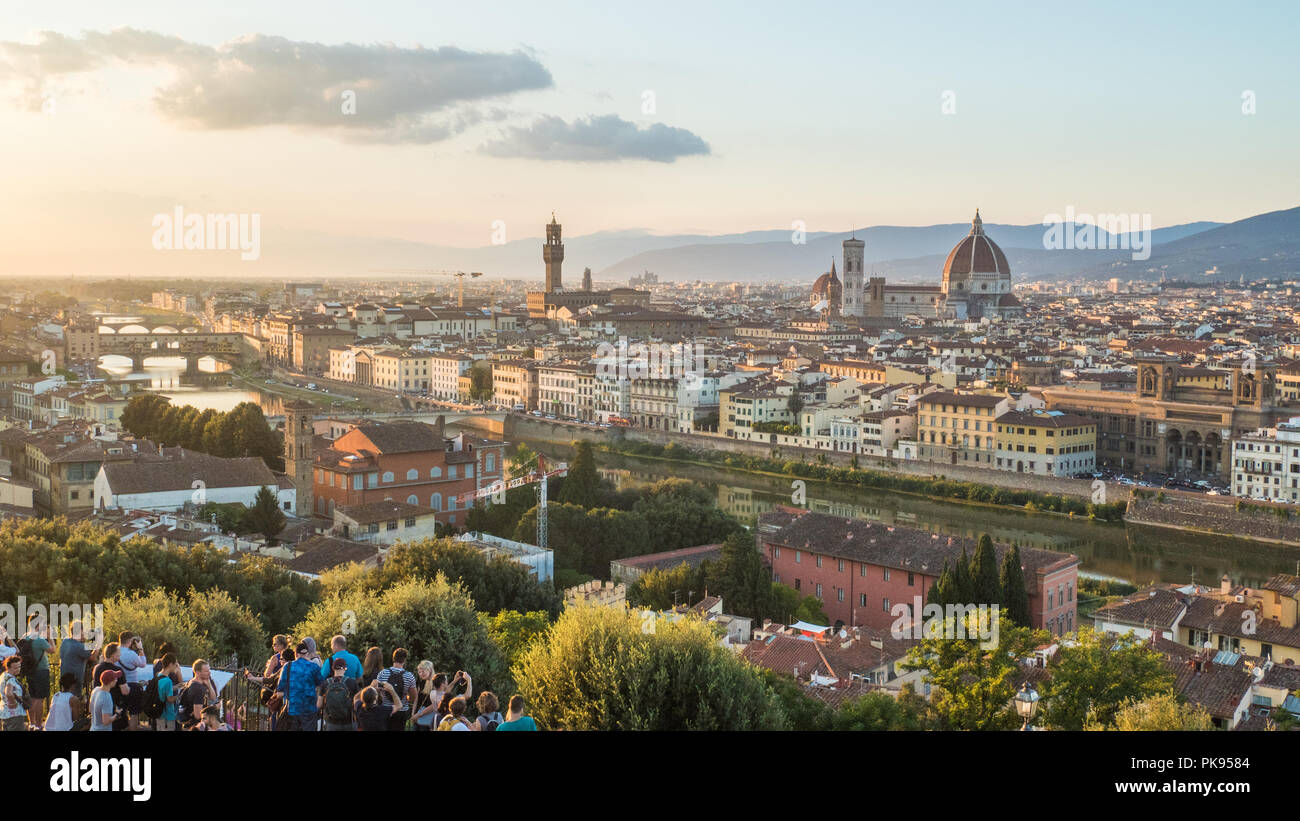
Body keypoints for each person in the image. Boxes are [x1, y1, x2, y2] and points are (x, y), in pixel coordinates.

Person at [276, 641, 325, 731]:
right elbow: (322, 684)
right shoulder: (314, 666)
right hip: (309, 709)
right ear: (307, 654)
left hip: (292, 709)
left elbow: (279, 691)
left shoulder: (288, 666)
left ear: (296, 654)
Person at [20, 614, 54, 729]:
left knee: (32, 698)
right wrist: (50, 637)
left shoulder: (26, 636)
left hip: (30, 671)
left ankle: (32, 723)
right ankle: (39, 725)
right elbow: (52, 650)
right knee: (39, 699)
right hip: (41, 671)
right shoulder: (39, 639)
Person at [90, 642, 130, 731]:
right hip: (113, 706)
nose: (120, 655)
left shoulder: (97, 668)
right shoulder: (117, 670)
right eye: (119, 653)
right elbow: (125, 691)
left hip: (98, 705)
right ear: (114, 655)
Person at [375, 648, 417, 731]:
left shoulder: (383, 673)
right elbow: (413, 696)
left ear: (393, 658)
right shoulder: (409, 676)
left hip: (386, 709)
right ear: (404, 660)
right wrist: (408, 700)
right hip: (401, 710)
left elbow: (377, 692)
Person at [117, 631, 149, 730]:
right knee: (134, 713)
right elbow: (143, 664)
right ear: (130, 641)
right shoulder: (131, 654)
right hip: (132, 686)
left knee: (119, 712)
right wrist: (140, 648)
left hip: (118, 686)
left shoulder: (114, 652)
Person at [318, 658, 358, 731]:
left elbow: (319, 705)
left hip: (331, 723)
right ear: (345, 668)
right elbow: (356, 705)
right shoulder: (352, 683)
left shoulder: (325, 683)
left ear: (333, 668)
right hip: (349, 722)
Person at [179, 659, 218, 730]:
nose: (209, 673)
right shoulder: (198, 689)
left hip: (189, 724)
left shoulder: (191, 682)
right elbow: (197, 715)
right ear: (197, 672)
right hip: (195, 726)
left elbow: (213, 698)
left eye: (209, 670)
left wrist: (209, 685)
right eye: (206, 671)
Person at [58, 620, 91, 704]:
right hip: (75, 680)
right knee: (75, 701)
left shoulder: (65, 642)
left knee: (65, 701)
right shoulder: (79, 646)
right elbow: (92, 657)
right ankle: (74, 717)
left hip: (64, 678)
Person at [152, 653, 180, 731]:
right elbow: (169, 699)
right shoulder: (168, 681)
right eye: (175, 665)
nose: (176, 667)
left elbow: (162, 691)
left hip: (159, 713)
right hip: (168, 714)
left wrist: (177, 686)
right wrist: (179, 697)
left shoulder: (158, 675)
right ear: (171, 664)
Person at [0, 656, 27, 731]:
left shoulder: (3, 676)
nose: (18, 669)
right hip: (15, 713)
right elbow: (8, 693)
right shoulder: (11, 679)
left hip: (4, 712)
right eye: (15, 668)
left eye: (19, 667)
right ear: (8, 667)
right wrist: (12, 703)